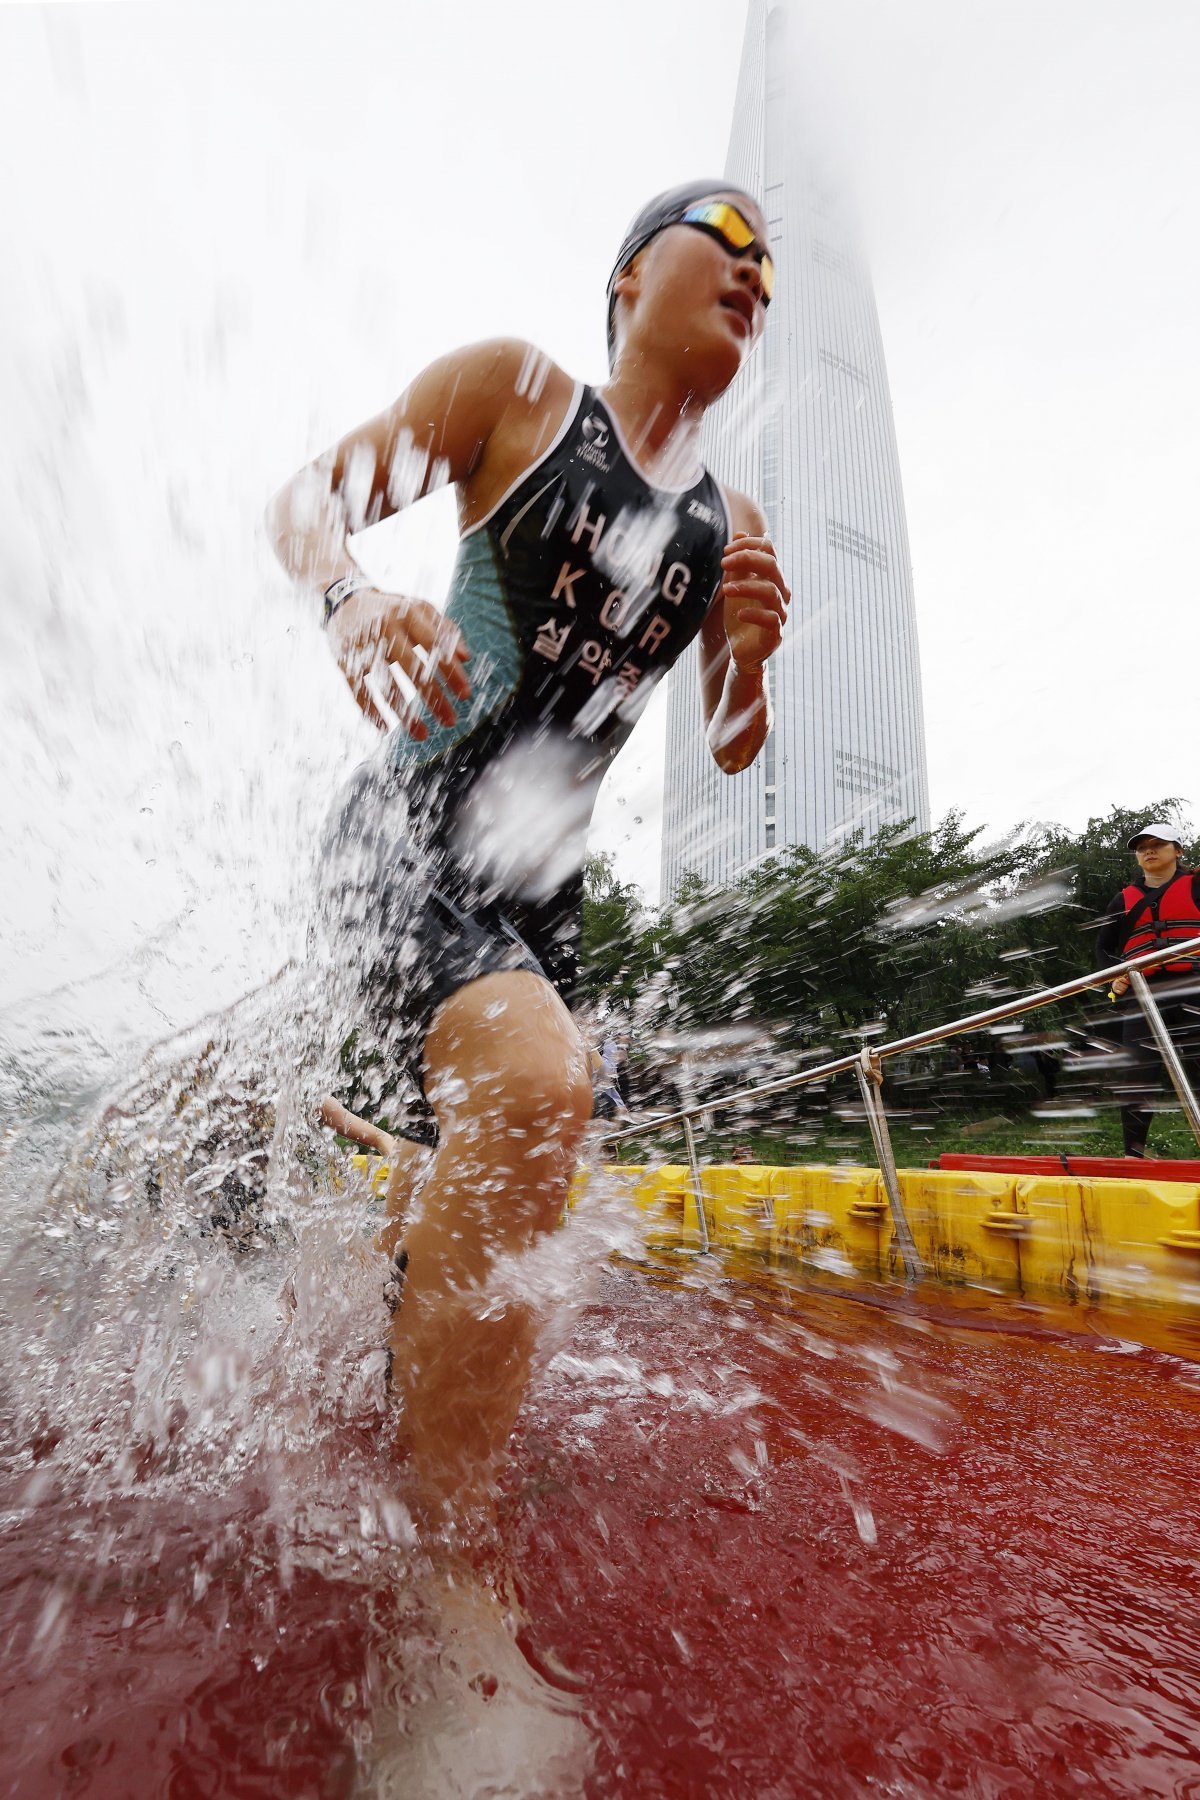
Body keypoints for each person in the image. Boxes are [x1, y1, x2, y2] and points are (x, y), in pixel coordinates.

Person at [267, 180, 789, 1523]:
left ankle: (379, 1399)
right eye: (727, 238)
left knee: (511, 1165)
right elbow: (308, 498)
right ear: (629, 279)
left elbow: (735, 743)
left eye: (770, 270)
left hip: (542, 904)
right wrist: (354, 598)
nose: (756, 272)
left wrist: (757, 663)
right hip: (411, 834)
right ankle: (447, 1571)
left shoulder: (732, 526)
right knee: (541, 1088)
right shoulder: (521, 395)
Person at [1097, 822, 1200, 1156]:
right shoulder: (1121, 900)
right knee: (1137, 1076)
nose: (1149, 851)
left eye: (1158, 844)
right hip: (1143, 995)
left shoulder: (1197, 885)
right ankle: (1133, 1154)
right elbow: (1104, 949)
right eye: (1143, 847)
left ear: (1178, 850)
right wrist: (1113, 977)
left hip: (1194, 988)